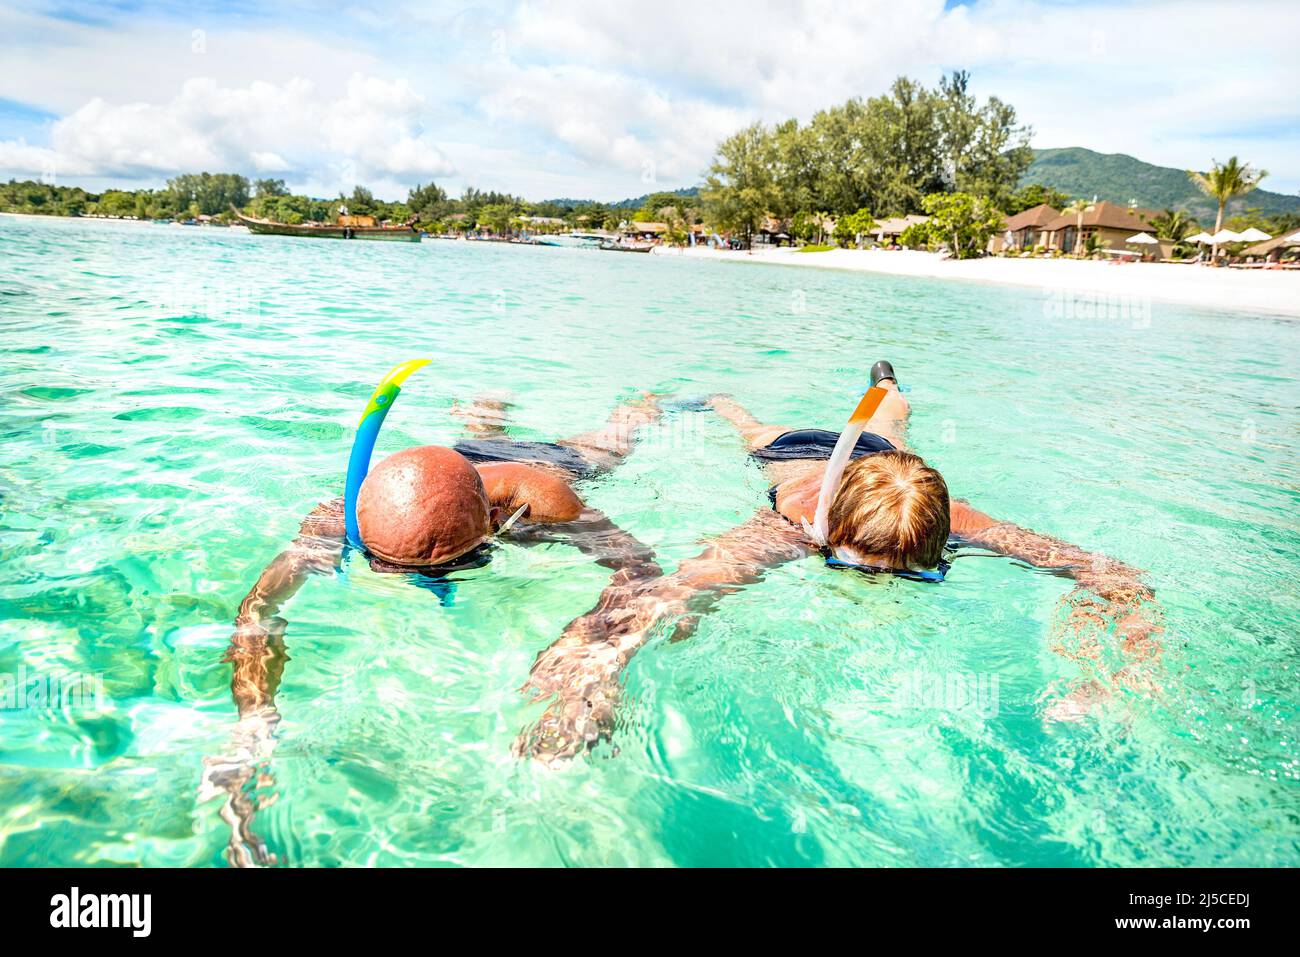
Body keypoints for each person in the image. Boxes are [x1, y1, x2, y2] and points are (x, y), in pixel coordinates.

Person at [514, 362, 1161, 763]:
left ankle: (886, 385)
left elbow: (1117, 575)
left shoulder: (959, 520)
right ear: (828, 542)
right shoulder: (791, 525)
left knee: (895, 418)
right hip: (791, 454)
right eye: (859, 568)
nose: (884, 589)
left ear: (942, 545)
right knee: (749, 426)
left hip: (878, 448)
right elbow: (662, 591)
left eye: (913, 574)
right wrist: (591, 677)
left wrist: (1122, 671)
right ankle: (715, 395)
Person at [203, 392, 663, 865]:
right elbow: (258, 610)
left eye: (445, 569)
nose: (418, 584)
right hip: (452, 476)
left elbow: (641, 570)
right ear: (361, 524)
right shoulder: (342, 514)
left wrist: (591, 664)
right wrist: (253, 721)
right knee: (483, 430)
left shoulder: (546, 502)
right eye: (382, 564)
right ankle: (487, 414)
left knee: (616, 440)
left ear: (495, 523)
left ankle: (649, 403)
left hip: (547, 466)